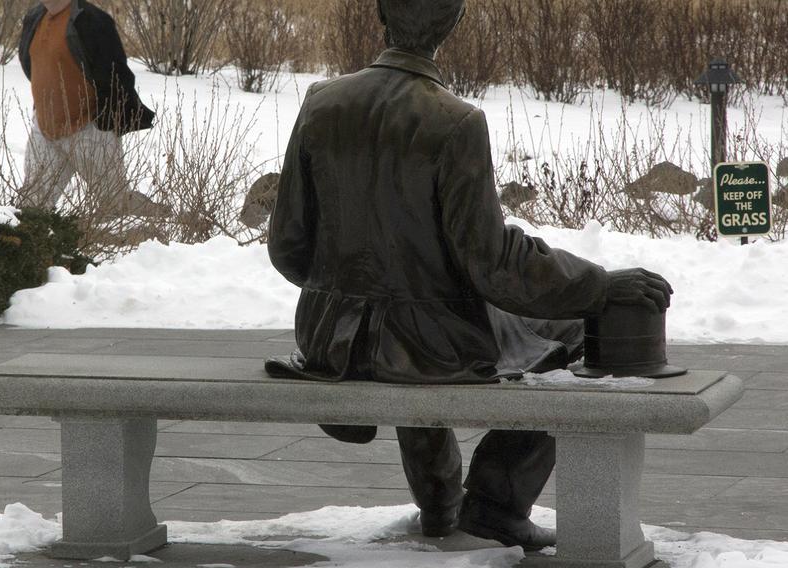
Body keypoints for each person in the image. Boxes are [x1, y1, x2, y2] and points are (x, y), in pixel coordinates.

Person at [266, 0, 673, 551]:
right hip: (421, 347)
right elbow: (494, 265)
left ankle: (439, 505)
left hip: (326, 340)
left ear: (381, 16)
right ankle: (494, 507)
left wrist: (351, 287)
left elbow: (289, 247)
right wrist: (599, 285)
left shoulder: (321, 101)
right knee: (573, 333)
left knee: (426, 321)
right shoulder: (455, 121)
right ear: (454, 26)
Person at [16, 0, 156, 212]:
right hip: (45, 131)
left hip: (89, 130)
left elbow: (118, 76)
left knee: (116, 204)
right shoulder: (34, 18)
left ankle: (163, 223)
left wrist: (103, 121)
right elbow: (31, 65)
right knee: (31, 207)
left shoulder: (92, 21)